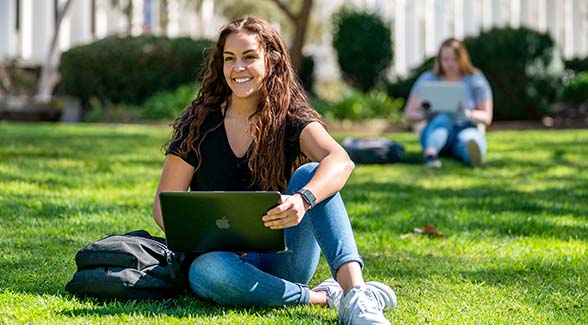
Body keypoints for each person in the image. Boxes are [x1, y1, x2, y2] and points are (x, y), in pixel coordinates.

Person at [152, 16, 396, 325]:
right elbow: (163, 207)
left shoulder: (290, 115)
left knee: (312, 173)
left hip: (285, 255)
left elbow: (341, 160)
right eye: (230, 59)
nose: (238, 68)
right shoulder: (198, 122)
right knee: (207, 272)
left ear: (271, 59)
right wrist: (212, 240)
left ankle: (357, 295)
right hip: (222, 259)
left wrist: (303, 199)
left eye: (249, 56)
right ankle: (324, 298)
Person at [404, 37, 493, 168]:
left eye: (455, 60)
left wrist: (468, 114)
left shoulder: (475, 79)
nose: (450, 64)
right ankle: (431, 153)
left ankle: (472, 157)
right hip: (436, 129)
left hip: (465, 126)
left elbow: (487, 117)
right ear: (439, 60)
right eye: (446, 59)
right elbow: (409, 114)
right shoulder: (428, 79)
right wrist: (427, 113)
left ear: (463, 59)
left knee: (468, 139)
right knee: (443, 118)